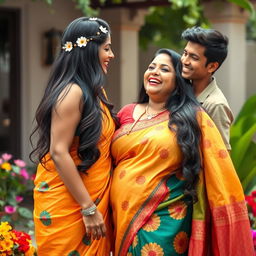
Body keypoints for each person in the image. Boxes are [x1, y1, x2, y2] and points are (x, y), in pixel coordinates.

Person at [110, 48, 254, 255]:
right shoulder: (125, 113)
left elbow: (216, 167)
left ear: (178, 81)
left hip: (165, 221)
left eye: (164, 69)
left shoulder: (191, 118)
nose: (154, 72)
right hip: (121, 218)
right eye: (151, 67)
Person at [30, 17, 116, 255]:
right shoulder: (72, 91)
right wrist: (88, 208)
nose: (112, 55)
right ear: (89, 49)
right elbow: (58, 151)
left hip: (87, 200)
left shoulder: (94, 91)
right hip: (71, 205)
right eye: (107, 48)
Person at [181, 26, 234, 151]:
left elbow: (221, 156)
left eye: (193, 57)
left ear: (211, 66)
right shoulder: (181, 90)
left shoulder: (216, 105)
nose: (184, 60)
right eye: (185, 53)